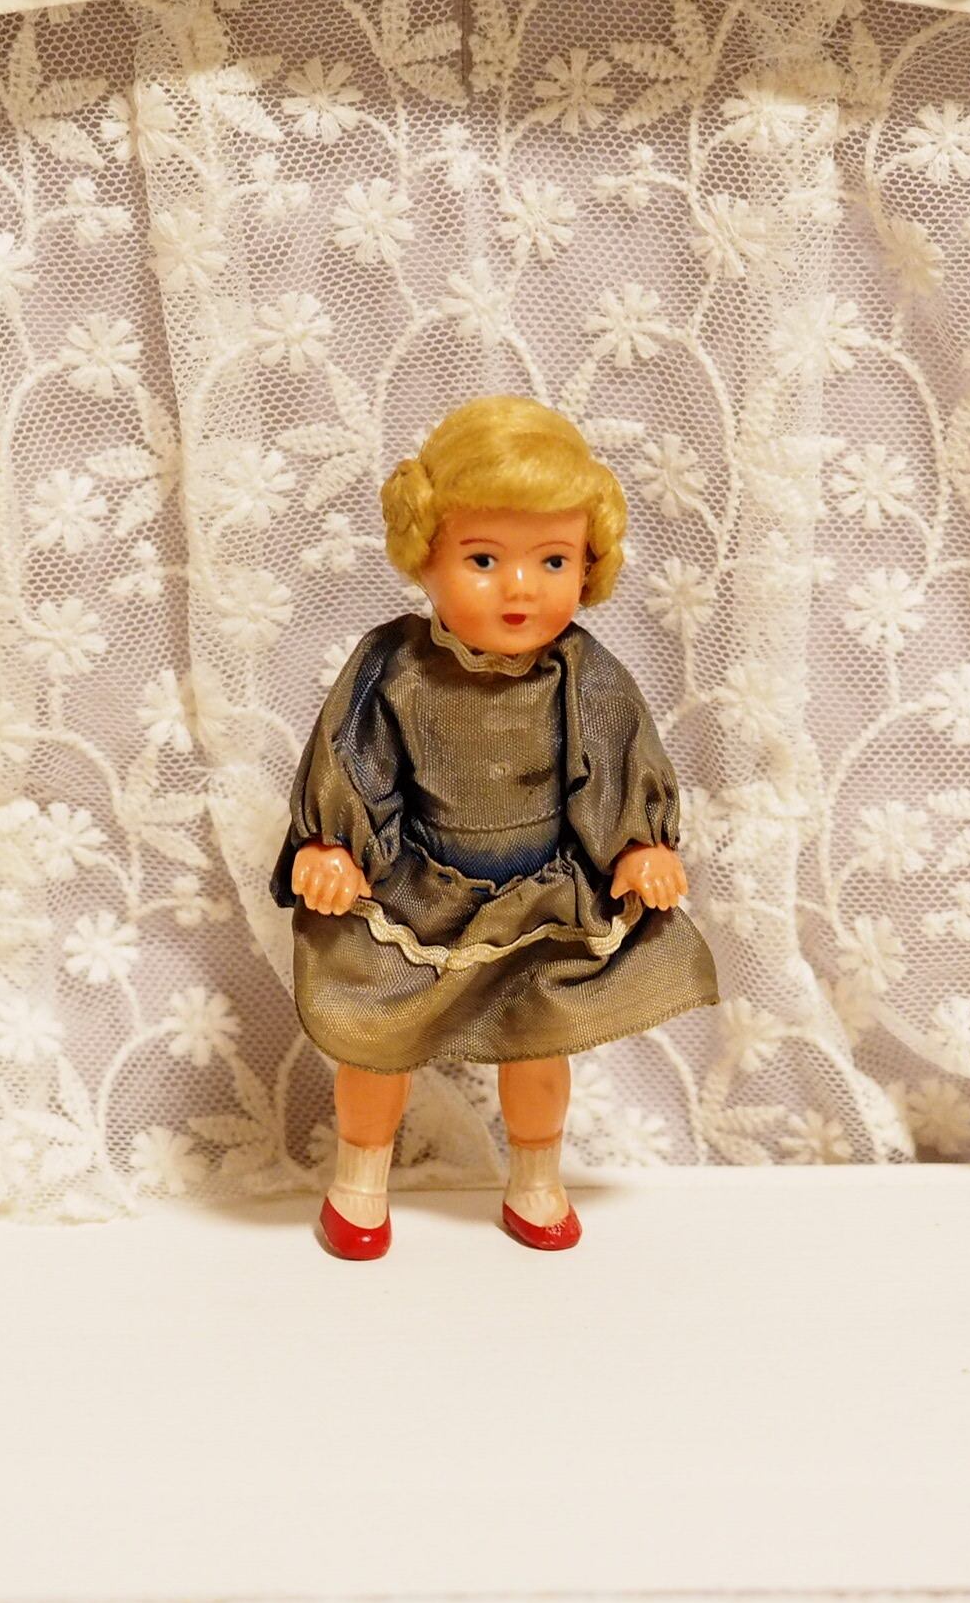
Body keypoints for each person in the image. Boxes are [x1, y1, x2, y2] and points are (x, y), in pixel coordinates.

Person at [272, 395, 719, 1259]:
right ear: (425, 556)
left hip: (540, 893)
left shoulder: (582, 674)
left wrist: (639, 844)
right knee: (374, 1041)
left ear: (588, 565)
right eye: (484, 558)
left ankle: (536, 1175)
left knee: (539, 1043)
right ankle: (359, 1178)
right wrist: (333, 845)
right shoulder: (394, 667)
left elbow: (616, 761)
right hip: (415, 889)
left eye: (553, 560)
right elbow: (353, 757)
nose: (521, 586)